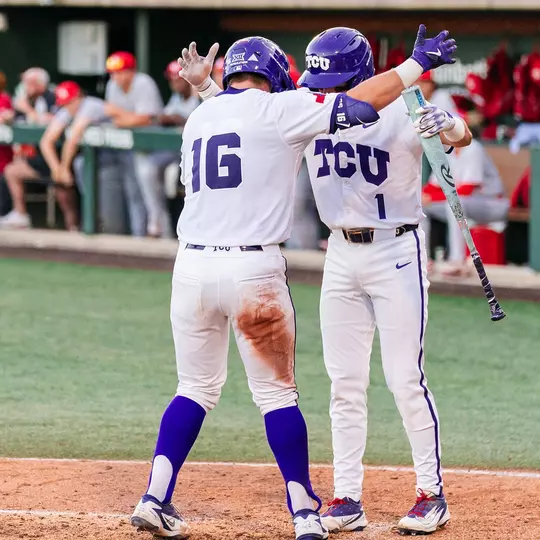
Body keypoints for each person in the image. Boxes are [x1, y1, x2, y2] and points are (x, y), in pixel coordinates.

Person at [130, 26, 458, 540]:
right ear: (277, 76)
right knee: (304, 391)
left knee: (196, 388)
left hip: (196, 267)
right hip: (273, 267)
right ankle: (318, 508)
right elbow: (336, 108)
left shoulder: (203, 116)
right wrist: (418, 63)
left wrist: (205, 88)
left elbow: (248, 117)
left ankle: (155, 496)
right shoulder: (286, 111)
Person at [296, 27, 470, 536]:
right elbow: (251, 121)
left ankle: (430, 493)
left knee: (403, 378)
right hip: (339, 254)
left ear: (360, 75)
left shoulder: (400, 106)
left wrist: (450, 124)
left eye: (334, 82)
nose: (324, 91)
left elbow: (461, 136)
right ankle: (347, 495)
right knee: (343, 382)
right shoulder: (308, 108)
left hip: (396, 249)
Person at [422, 139, 508, 276]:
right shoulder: (445, 149)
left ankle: (457, 262)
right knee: (421, 206)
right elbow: (434, 186)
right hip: (463, 203)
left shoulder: (473, 147)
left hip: (492, 204)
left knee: (456, 204)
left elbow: (468, 188)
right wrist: (421, 196)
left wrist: (432, 198)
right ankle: (423, 260)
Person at [135, 60, 200, 238]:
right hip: (176, 153)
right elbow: (165, 117)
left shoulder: (200, 95)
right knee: (146, 168)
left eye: (179, 79)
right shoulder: (175, 98)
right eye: (172, 79)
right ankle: (157, 220)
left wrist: (179, 119)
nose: (175, 83)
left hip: (197, 156)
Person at [39, 81, 112, 232]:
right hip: (94, 158)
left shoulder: (90, 104)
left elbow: (73, 138)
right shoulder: (67, 110)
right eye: (64, 103)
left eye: (70, 102)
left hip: (117, 156)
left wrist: (64, 168)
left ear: (79, 96)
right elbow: (46, 141)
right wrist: (57, 169)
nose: (68, 107)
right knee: (72, 173)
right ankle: (75, 227)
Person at [104, 51, 163, 236]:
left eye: (120, 72)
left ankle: (144, 232)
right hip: (126, 146)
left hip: (154, 146)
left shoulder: (143, 83)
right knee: (130, 191)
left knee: (139, 189)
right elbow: (110, 114)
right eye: (113, 73)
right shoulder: (112, 85)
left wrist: (123, 117)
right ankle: (133, 232)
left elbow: (147, 119)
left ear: (131, 71)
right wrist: (129, 118)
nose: (115, 77)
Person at [0, 68, 58, 229]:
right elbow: (18, 119)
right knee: (12, 170)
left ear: (39, 84)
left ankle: (73, 226)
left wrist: (26, 109)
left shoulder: (52, 97)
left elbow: (50, 121)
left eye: (29, 83)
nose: (25, 87)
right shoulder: (29, 100)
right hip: (37, 158)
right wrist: (9, 117)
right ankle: (20, 214)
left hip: (56, 159)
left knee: (11, 169)